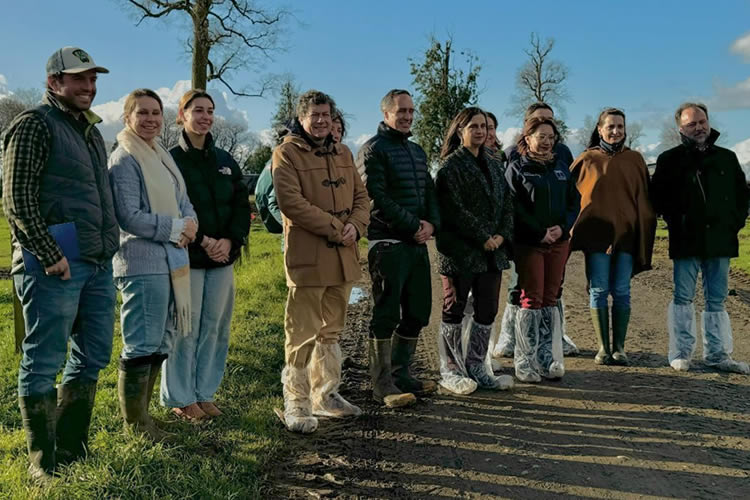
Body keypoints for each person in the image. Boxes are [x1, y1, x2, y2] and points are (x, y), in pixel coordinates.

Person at [2, 46, 118, 481]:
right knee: (44, 358)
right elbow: (16, 198)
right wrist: (50, 256)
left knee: (92, 356)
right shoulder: (33, 125)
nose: (88, 87)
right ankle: (42, 464)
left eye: (92, 80)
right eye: (78, 79)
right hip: (55, 266)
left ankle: (72, 449)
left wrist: (108, 250)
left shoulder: (88, 132)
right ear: (54, 83)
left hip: (96, 262)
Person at [273, 90, 370, 433]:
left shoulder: (343, 152)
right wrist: (334, 227)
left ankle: (326, 393)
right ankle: (296, 400)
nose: (321, 121)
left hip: (343, 256)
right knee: (302, 333)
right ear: (301, 119)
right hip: (308, 258)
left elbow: (361, 197)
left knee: (332, 330)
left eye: (326, 115)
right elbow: (291, 203)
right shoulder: (286, 154)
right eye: (314, 115)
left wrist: (355, 226)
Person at [109, 89, 197, 439]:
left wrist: (190, 223)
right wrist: (175, 228)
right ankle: (136, 425)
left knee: (161, 339)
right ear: (127, 117)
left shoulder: (160, 155)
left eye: (155, 113)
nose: (150, 120)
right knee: (141, 342)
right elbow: (128, 215)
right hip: (141, 263)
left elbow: (183, 200)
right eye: (142, 113)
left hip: (171, 259)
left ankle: (145, 416)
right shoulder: (124, 159)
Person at [162, 89, 251, 420]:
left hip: (223, 259)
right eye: (197, 110)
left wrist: (230, 241)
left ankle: (204, 393)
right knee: (185, 328)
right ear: (181, 115)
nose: (205, 116)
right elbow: (171, 209)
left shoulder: (226, 161)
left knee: (215, 327)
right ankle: (181, 398)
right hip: (189, 257)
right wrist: (204, 241)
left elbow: (242, 205)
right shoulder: (170, 160)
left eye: (210, 111)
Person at [356, 89, 441, 407]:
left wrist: (431, 223)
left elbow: (429, 191)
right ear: (386, 114)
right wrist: (413, 226)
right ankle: (381, 384)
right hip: (389, 244)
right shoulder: (372, 150)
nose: (407, 116)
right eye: (401, 111)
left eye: (411, 111)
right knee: (386, 313)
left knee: (418, 312)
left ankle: (401, 373)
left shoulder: (417, 151)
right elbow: (375, 197)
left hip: (416, 245)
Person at [651, 102, 749, 374]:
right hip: (686, 240)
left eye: (702, 121)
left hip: (720, 240)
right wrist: (678, 220)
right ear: (680, 127)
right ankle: (681, 352)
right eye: (692, 123)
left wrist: (733, 224)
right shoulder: (669, 160)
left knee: (717, 299)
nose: (699, 127)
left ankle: (718, 354)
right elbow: (657, 198)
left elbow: (743, 197)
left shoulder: (727, 158)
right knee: (683, 296)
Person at [435, 107, 514, 394]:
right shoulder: (449, 167)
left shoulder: (494, 163)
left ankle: (478, 365)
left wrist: (502, 235)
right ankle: (451, 368)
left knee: (487, 309)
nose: (480, 131)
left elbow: (507, 203)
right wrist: (482, 236)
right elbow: (454, 209)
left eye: (484, 126)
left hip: (492, 251)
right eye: (473, 127)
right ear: (460, 131)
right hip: (461, 250)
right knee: (454, 308)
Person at [569, 108, 656, 365]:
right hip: (597, 237)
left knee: (621, 290)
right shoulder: (587, 159)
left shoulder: (635, 160)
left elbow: (645, 199)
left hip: (627, 236)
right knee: (598, 289)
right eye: (611, 126)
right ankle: (602, 348)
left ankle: (619, 347)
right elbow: (570, 196)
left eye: (620, 126)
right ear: (600, 129)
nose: (616, 131)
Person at [494, 103, 580, 359]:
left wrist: (563, 227)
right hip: (529, 241)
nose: (546, 140)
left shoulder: (562, 158)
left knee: (552, 293)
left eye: (550, 134)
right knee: (524, 290)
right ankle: (517, 344)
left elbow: (573, 198)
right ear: (527, 130)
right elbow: (513, 204)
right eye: (540, 131)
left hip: (558, 239)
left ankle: (549, 348)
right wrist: (538, 231)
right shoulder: (514, 160)